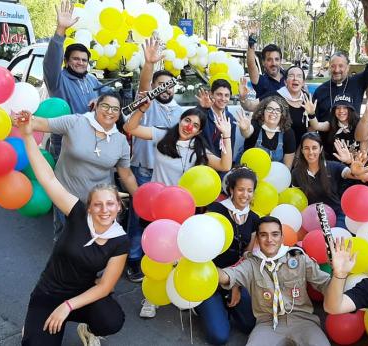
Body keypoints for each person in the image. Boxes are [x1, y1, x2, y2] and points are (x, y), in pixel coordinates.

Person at [17, 111, 128, 346]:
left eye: (110, 204)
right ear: (89, 207)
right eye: (97, 204)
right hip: (48, 293)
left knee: (112, 320)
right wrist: (28, 137)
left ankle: (86, 327)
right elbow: (48, 179)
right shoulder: (77, 213)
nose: (104, 210)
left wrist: (67, 306)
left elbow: (105, 286)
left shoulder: (120, 240)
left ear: (119, 206)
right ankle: (34, 325)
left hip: (81, 295)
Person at [124, 106, 232, 318]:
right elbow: (130, 127)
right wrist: (142, 108)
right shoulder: (163, 135)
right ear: (180, 120)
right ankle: (151, 297)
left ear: (199, 131)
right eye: (186, 120)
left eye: (195, 125)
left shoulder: (198, 149)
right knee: (156, 252)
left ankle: (179, 290)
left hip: (184, 210)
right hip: (158, 207)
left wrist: (226, 135)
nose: (189, 126)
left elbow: (224, 164)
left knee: (180, 254)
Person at [19, 92, 138, 241]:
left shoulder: (120, 141)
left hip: (99, 206)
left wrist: (140, 198)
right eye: (105, 106)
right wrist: (24, 119)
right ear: (96, 106)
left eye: (115, 109)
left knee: (95, 248)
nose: (109, 111)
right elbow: (41, 123)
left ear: (119, 113)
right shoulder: (75, 122)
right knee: (65, 242)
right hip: (66, 199)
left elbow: (126, 175)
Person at [216, 216, 332, 346]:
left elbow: (325, 284)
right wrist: (209, 269)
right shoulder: (251, 263)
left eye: (275, 234)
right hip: (267, 323)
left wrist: (339, 274)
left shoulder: (298, 258)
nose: (269, 239)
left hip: (303, 321)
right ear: (258, 239)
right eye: (263, 235)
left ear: (282, 238)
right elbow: (227, 276)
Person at [123, 38, 183, 283]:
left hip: (169, 175)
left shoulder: (181, 112)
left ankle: (163, 257)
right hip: (143, 171)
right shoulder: (147, 103)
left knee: (166, 219)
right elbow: (144, 85)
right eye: (161, 85)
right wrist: (149, 64)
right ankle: (134, 260)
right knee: (140, 218)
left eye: (169, 86)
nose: (165, 90)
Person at [197, 167, 260, 345]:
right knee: (219, 337)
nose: (245, 195)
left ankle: (225, 304)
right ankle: (203, 306)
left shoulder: (254, 218)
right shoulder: (215, 209)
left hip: (234, 277)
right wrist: (218, 277)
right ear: (231, 190)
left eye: (250, 190)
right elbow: (200, 247)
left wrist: (236, 285)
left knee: (249, 325)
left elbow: (247, 256)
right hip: (209, 274)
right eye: (240, 189)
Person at [44, 0, 103, 160]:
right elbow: (51, 61)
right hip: (65, 142)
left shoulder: (91, 80)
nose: (80, 63)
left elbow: (109, 96)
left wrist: (100, 100)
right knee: (64, 184)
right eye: (76, 59)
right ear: (66, 61)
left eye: (84, 60)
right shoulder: (57, 80)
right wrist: (61, 30)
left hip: (92, 140)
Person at [291, 132, 368, 228]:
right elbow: (297, 200)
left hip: (338, 216)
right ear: (302, 151)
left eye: (314, 148)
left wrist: (353, 167)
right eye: (306, 148)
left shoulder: (334, 166)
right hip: (312, 219)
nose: (311, 152)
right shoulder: (296, 173)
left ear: (321, 149)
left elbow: (353, 174)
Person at [240, 66, 310, 148]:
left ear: (303, 82)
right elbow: (249, 106)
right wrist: (243, 97)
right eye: (291, 75)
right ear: (285, 81)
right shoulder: (274, 95)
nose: (295, 78)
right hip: (270, 148)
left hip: (297, 151)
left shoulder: (308, 100)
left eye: (299, 76)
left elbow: (311, 128)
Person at [236, 95, 297, 168]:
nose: (273, 112)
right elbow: (247, 133)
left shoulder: (288, 133)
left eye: (278, 110)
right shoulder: (255, 125)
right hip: (248, 170)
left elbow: (287, 166)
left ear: (282, 114)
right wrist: (244, 129)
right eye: (269, 109)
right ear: (263, 111)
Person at [307, 93, 368, 161]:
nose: (341, 111)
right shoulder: (332, 123)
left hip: (356, 164)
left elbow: (363, 155)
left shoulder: (360, 125)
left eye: (345, 107)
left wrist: (349, 161)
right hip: (336, 164)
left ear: (351, 109)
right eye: (338, 108)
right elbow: (316, 126)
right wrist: (311, 114)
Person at [196, 80, 238, 163]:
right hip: (200, 161)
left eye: (226, 95)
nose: (223, 99)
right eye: (219, 94)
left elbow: (230, 148)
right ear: (211, 94)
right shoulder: (201, 112)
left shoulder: (231, 119)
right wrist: (202, 109)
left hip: (221, 164)